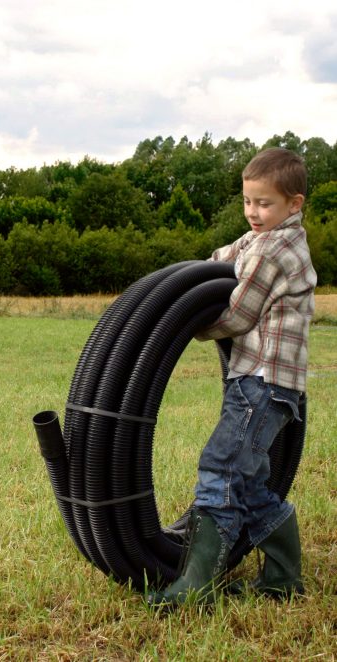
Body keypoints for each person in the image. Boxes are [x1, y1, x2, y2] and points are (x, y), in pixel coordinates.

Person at [148, 147, 317, 608]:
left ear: (294, 204)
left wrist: (190, 325)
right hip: (267, 382)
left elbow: (239, 315)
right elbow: (224, 258)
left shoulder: (274, 250)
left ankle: (197, 584)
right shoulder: (260, 241)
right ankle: (283, 578)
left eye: (264, 204)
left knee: (221, 468)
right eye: (248, 201)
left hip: (262, 380)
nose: (253, 212)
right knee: (248, 482)